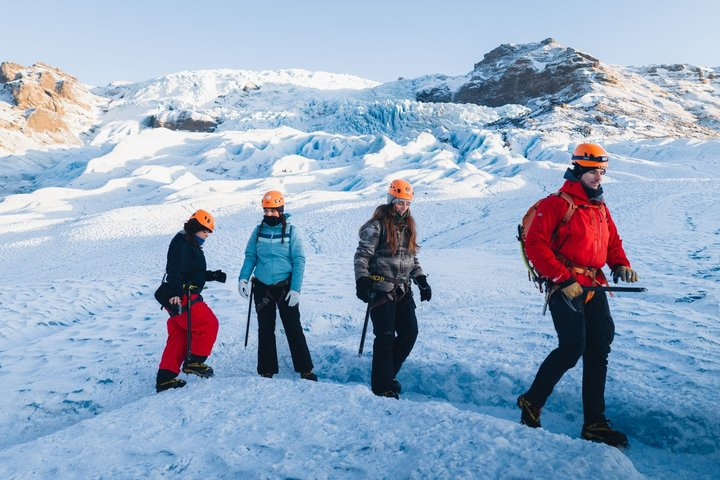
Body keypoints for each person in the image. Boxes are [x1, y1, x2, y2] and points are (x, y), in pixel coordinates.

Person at [517, 143, 639, 447]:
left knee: (599, 348)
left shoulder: (599, 207)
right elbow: (536, 245)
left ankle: (594, 423)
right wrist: (563, 277)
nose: (599, 177)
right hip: (566, 286)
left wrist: (620, 263)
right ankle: (532, 401)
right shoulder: (557, 204)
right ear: (578, 170)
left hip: (593, 285)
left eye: (602, 171)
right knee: (572, 347)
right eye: (593, 171)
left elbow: (612, 241)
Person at [354, 179, 432, 399]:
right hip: (381, 290)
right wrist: (362, 280)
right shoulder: (375, 226)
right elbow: (362, 256)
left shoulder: (408, 227)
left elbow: (412, 259)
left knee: (409, 334)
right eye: (399, 203)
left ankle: (386, 377)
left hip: (403, 290)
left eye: (407, 204)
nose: (403, 208)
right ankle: (382, 387)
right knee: (386, 337)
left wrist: (422, 280)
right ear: (391, 201)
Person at [238, 191, 317, 381]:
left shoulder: (291, 231)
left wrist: (295, 289)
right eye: (266, 211)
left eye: (273, 211)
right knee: (265, 328)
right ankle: (266, 370)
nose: (269, 215)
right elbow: (251, 257)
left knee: (293, 327)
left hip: (285, 287)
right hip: (262, 287)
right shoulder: (258, 231)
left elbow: (299, 260)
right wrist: (243, 278)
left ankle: (305, 369)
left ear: (281, 210)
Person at [155, 209, 227, 393]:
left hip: (179, 294)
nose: (206, 236)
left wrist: (212, 275)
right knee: (208, 324)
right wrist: (176, 293)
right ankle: (194, 362)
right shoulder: (183, 244)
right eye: (205, 231)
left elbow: (191, 271)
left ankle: (165, 379)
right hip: (182, 295)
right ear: (196, 227)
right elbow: (175, 269)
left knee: (179, 336)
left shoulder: (189, 243)